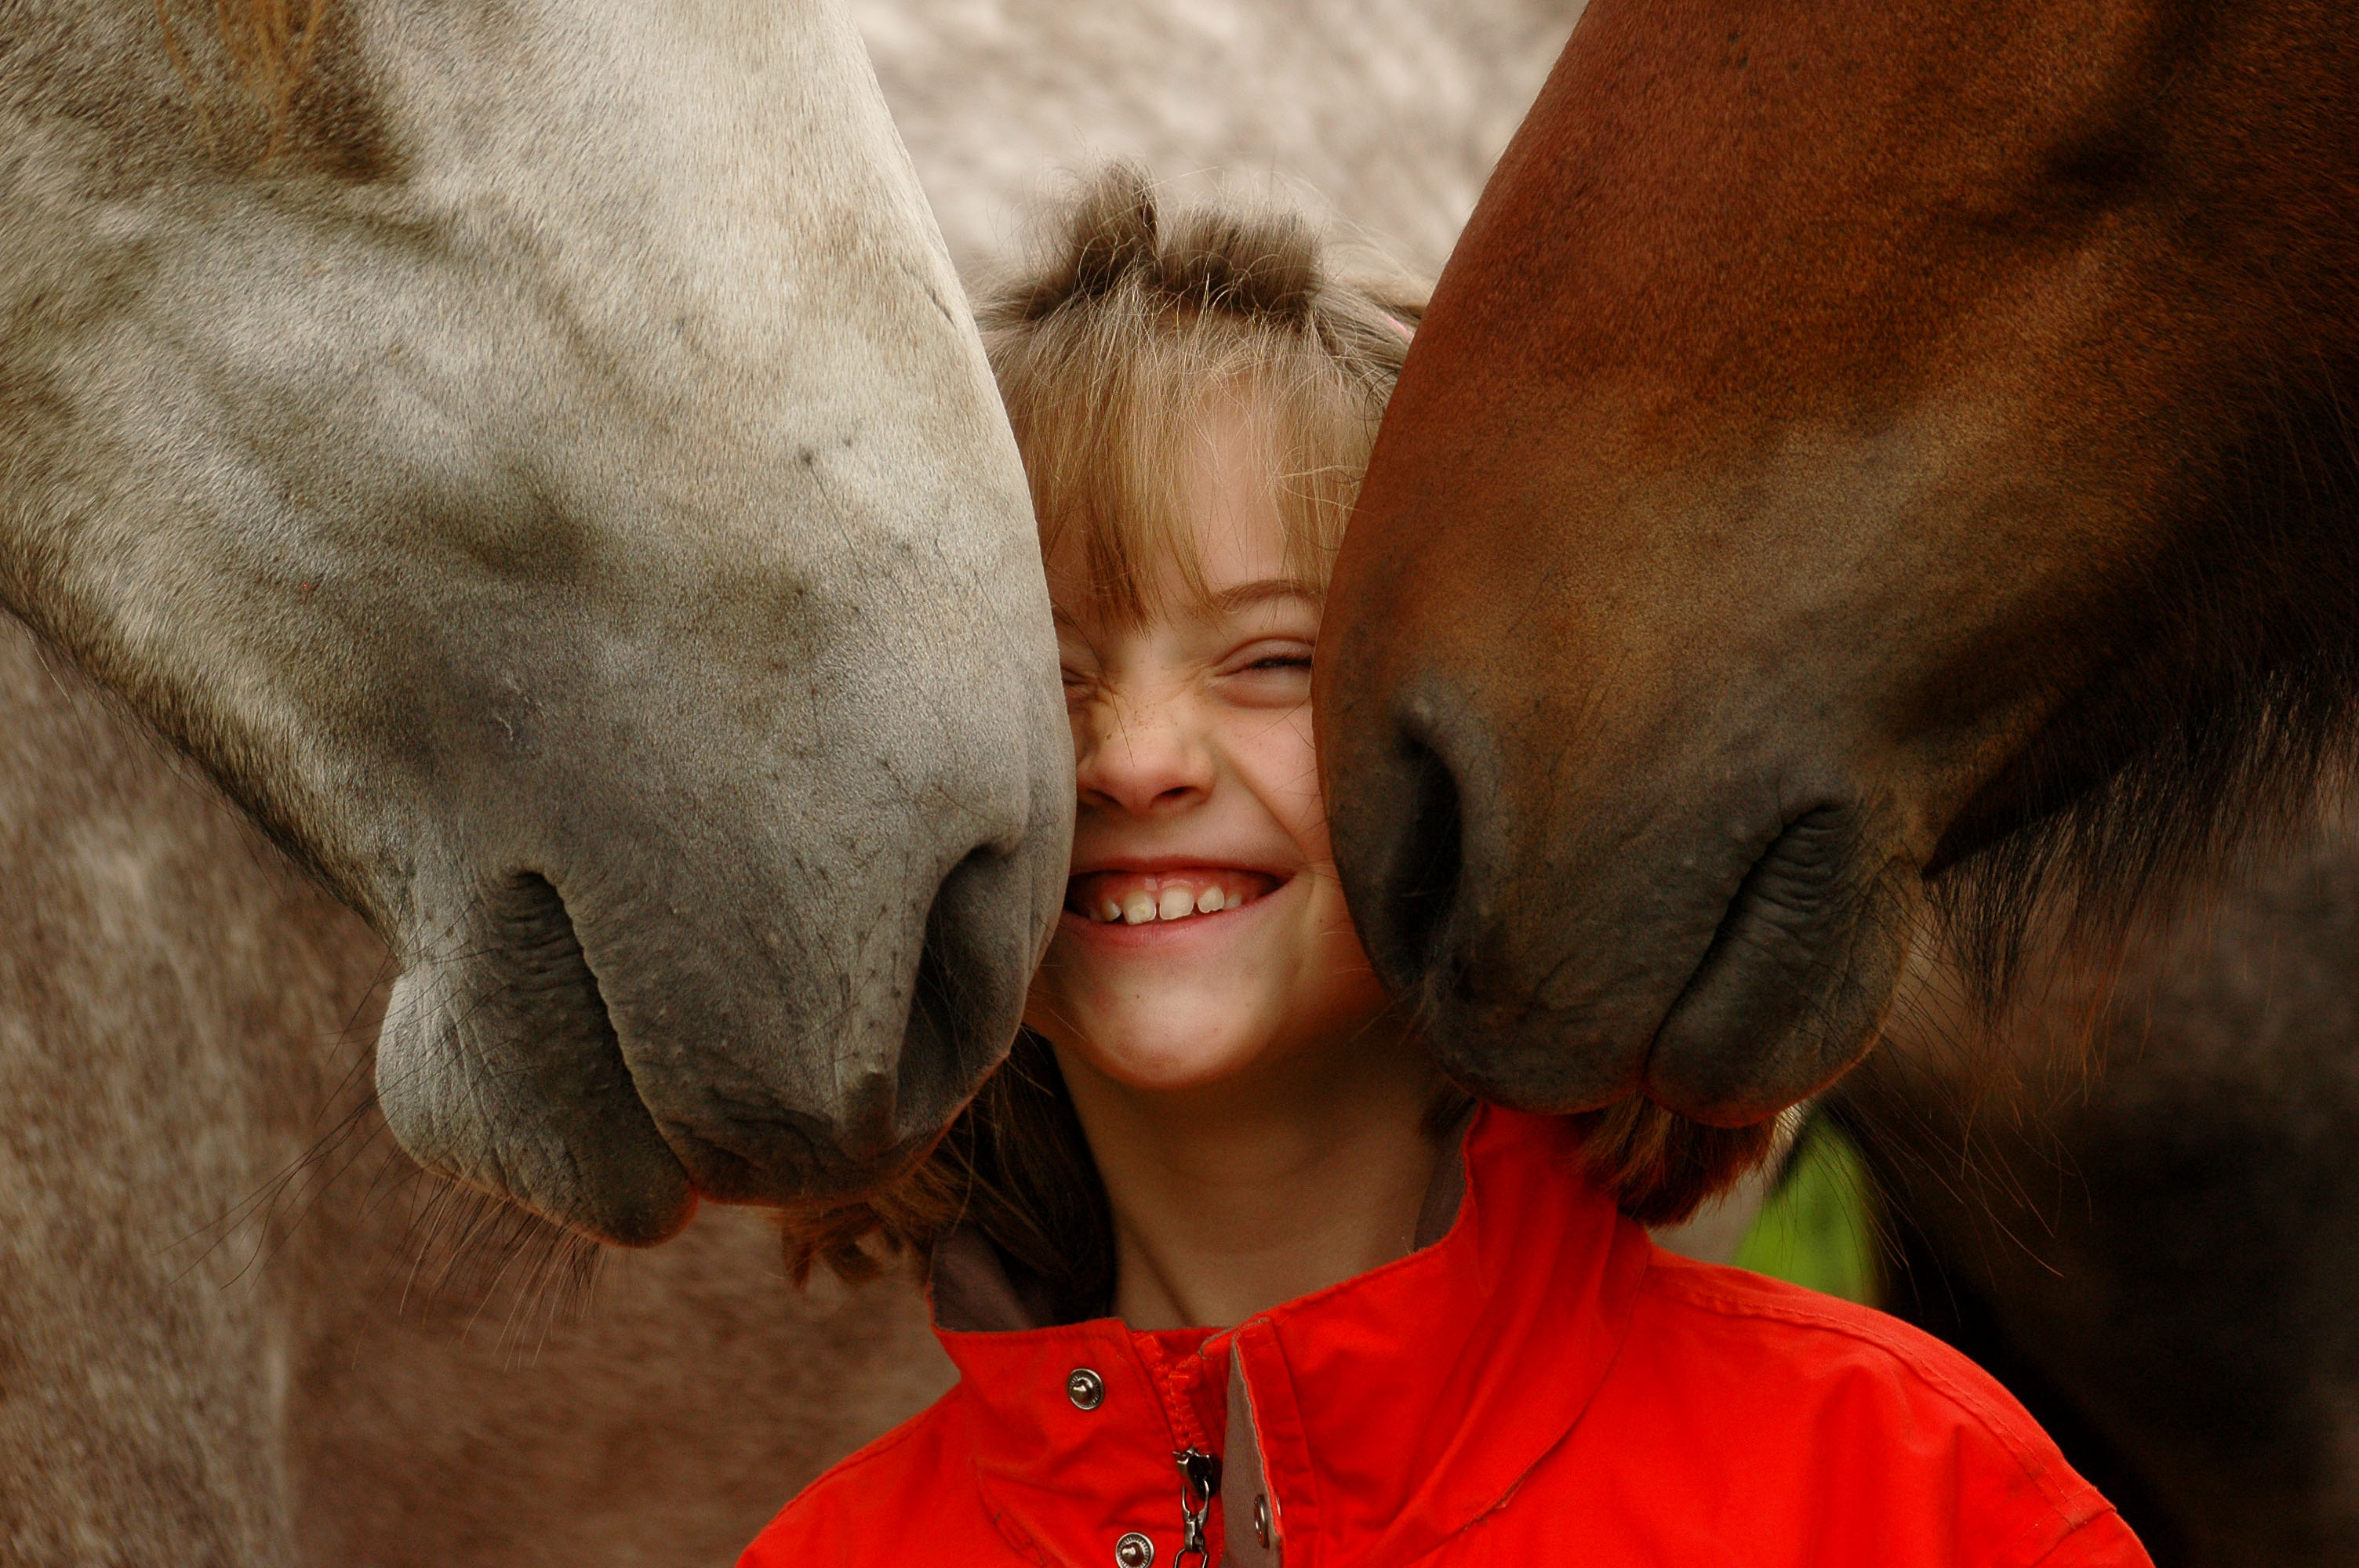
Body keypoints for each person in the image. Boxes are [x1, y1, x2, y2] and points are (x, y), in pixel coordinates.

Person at [742, 166, 2150, 1568]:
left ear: (1500, 748)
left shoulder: (1910, 1498)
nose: (1135, 756)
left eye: (1273, 660)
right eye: (1048, 679)